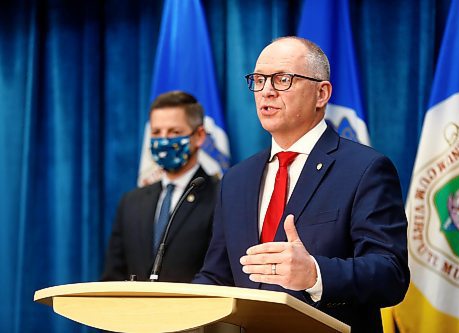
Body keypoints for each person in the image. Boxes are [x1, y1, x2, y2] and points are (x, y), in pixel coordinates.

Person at [193, 37, 410, 332]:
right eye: (258, 80)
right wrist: (172, 309)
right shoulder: (236, 179)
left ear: (321, 93)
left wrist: (315, 274)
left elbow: (390, 275)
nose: (266, 91)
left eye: (283, 79)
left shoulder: (364, 169)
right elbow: (217, 275)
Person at [102, 91, 219, 282]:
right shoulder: (131, 202)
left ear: (199, 136)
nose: (164, 140)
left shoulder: (221, 196)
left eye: (174, 132)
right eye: (156, 133)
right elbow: (113, 275)